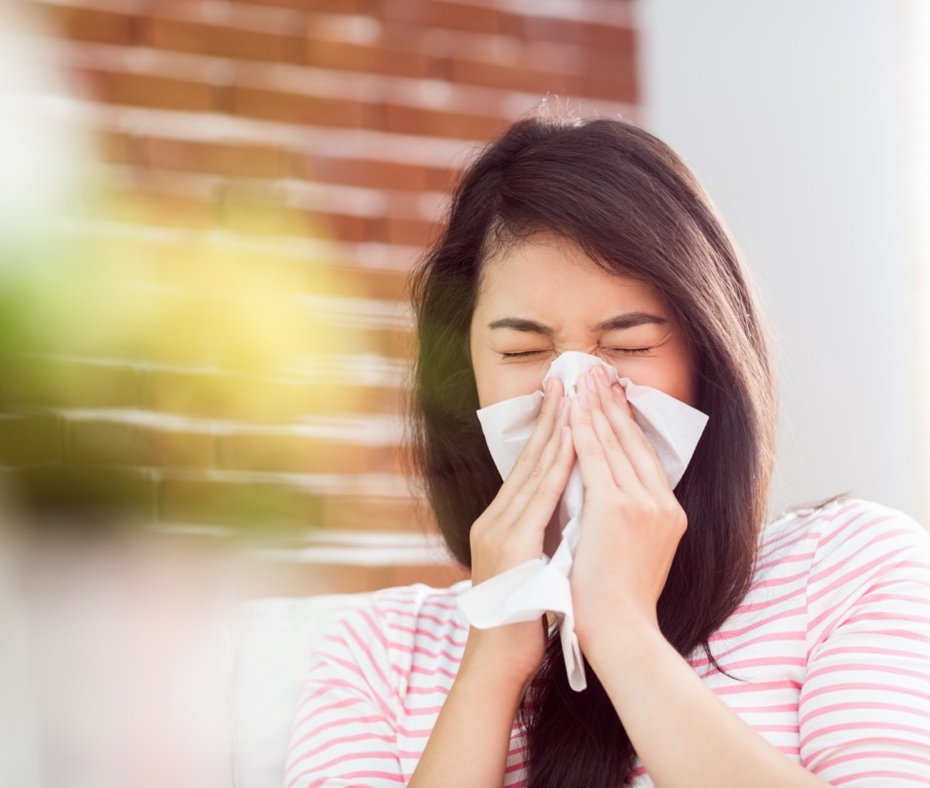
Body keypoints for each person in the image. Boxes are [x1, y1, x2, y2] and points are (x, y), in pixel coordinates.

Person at [282, 117, 930, 787]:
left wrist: (621, 632)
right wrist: (492, 663)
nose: (574, 386)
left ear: (706, 360)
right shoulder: (379, 653)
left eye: (628, 343)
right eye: (523, 351)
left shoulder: (848, 570)